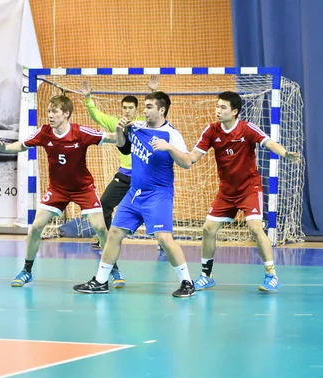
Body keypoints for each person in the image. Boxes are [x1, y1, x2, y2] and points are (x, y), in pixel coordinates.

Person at [0, 95, 126, 288]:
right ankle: (27, 271)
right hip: (57, 190)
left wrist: (120, 132)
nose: (50, 116)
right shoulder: (44, 133)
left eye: (55, 112)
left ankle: (113, 269)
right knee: (36, 227)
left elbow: (113, 139)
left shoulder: (80, 132)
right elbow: (21, 145)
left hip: (83, 188)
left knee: (101, 229)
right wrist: (3, 148)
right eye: (48, 111)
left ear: (66, 114)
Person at [73, 91, 196, 297]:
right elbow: (124, 148)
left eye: (149, 107)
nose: (144, 110)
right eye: (145, 106)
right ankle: (101, 281)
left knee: (164, 239)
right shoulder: (137, 127)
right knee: (114, 233)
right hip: (134, 194)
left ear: (162, 110)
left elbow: (187, 162)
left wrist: (169, 148)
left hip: (158, 195)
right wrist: (121, 131)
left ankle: (187, 282)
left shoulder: (171, 134)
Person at [190, 91, 301, 292]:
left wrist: (285, 153)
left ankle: (271, 275)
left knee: (255, 227)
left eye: (223, 107)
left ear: (234, 111)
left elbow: (269, 143)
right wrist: (171, 151)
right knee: (207, 229)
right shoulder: (211, 131)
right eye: (217, 106)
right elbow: (192, 157)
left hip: (250, 188)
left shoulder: (246, 128)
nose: (218, 110)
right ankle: (206, 275)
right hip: (226, 191)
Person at [80, 77, 159, 253]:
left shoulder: (144, 122)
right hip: (124, 176)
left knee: (153, 210)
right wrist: (87, 98)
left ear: (137, 109)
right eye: (125, 108)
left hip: (145, 177)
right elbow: (97, 116)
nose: (127, 111)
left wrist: (153, 92)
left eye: (131, 108)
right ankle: (106, 240)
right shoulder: (116, 123)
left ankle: (163, 242)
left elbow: (156, 113)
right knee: (104, 203)